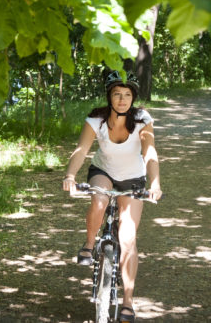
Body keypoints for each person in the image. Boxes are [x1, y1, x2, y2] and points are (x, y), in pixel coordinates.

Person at [62, 70, 162, 323]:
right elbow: (81, 149)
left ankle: (127, 301)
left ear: (133, 98)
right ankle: (88, 244)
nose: (122, 99)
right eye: (117, 94)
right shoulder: (96, 120)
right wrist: (70, 176)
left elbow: (150, 154)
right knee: (98, 199)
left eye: (127, 95)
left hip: (133, 178)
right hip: (103, 171)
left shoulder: (142, 119)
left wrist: (155, 183)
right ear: (109, 96)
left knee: (127, 238)